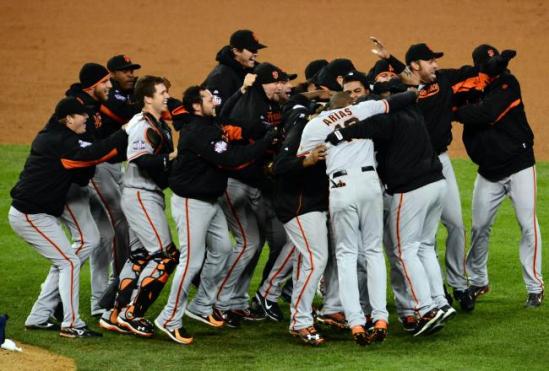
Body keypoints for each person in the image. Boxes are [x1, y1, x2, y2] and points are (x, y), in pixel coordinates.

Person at [155, 86, 276, 345]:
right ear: (196, 106)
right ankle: (169, 318)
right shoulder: (198, 131)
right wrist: (266, 142)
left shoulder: (209, 123)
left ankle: (201, 305)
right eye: (209, 98)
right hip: (191, 203)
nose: (214, 101)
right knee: (191, 262)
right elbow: (231, 160)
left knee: (222, 249)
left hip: (210, 202)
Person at [298, 90, 416, 345]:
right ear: (349, 104)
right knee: (373, 251)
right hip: (370, 184)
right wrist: (416, 89)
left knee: (346, 254)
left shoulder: (315, 124)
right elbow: (402, 99)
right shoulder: (362, 109)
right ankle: (381, 317)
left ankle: (355, 323)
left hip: (341, 187)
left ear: (327, 106)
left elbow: (300, 162)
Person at [371, 37, 478, 310]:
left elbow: (469, 72)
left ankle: (459, 284)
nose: (436, 64)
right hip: (412, 166)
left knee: (455, 224)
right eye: (430, 60)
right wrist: (393, 61)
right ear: (416, 65)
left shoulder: (442, 81)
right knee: (418, 239)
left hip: (440, 161)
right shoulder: (399, 93)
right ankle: (432, 287)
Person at [8, 97, 128, 338]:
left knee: (64, 261)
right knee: (69, 262)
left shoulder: (62, 137)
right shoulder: (57, 141)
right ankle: (72, 324)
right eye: (82, 115)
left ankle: (39, 316)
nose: (87, 118)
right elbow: (90, 155)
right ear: (68, 119)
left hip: (39, 214)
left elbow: (84, 168)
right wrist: (123, 133)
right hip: (30, 215)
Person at [454, 45, 544, 307]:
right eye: (495, 64)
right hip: (489, 171)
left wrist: (455, 113)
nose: (501, 68)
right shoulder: (471, 87)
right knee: (480, 226)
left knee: (528, 225)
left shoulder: (508, 83)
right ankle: (478, 281)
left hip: (519, 165)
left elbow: (488, 113)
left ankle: (534, 287)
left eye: (501, 63)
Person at [100, 76, 178, 337]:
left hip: (145, 195)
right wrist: (175, 157)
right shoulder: (142, 125)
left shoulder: (158, 124)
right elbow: (142, 159)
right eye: (162, 92)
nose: (167, 96)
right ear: (148, 98)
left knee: (140, 255)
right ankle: (132, 314)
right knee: (166, 256)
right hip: (141, 195)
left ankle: (114, 313)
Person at [91, 54, 143, 315]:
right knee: (118, 224)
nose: (131, 75)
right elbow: (126, 115)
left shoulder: (125, 96)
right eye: (125, 71)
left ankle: (100, 298)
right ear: (111, 74)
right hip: (98, 167)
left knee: (101, 236)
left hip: (114, 167)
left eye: (133, 71)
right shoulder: (111, 97)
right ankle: (114, 287)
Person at [203, 29, 266, 111]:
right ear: (236, 51)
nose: (256, 54)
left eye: (256, 50)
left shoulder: (252, 68)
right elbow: (216, 112)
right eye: (252, 50)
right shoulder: (221, 77)